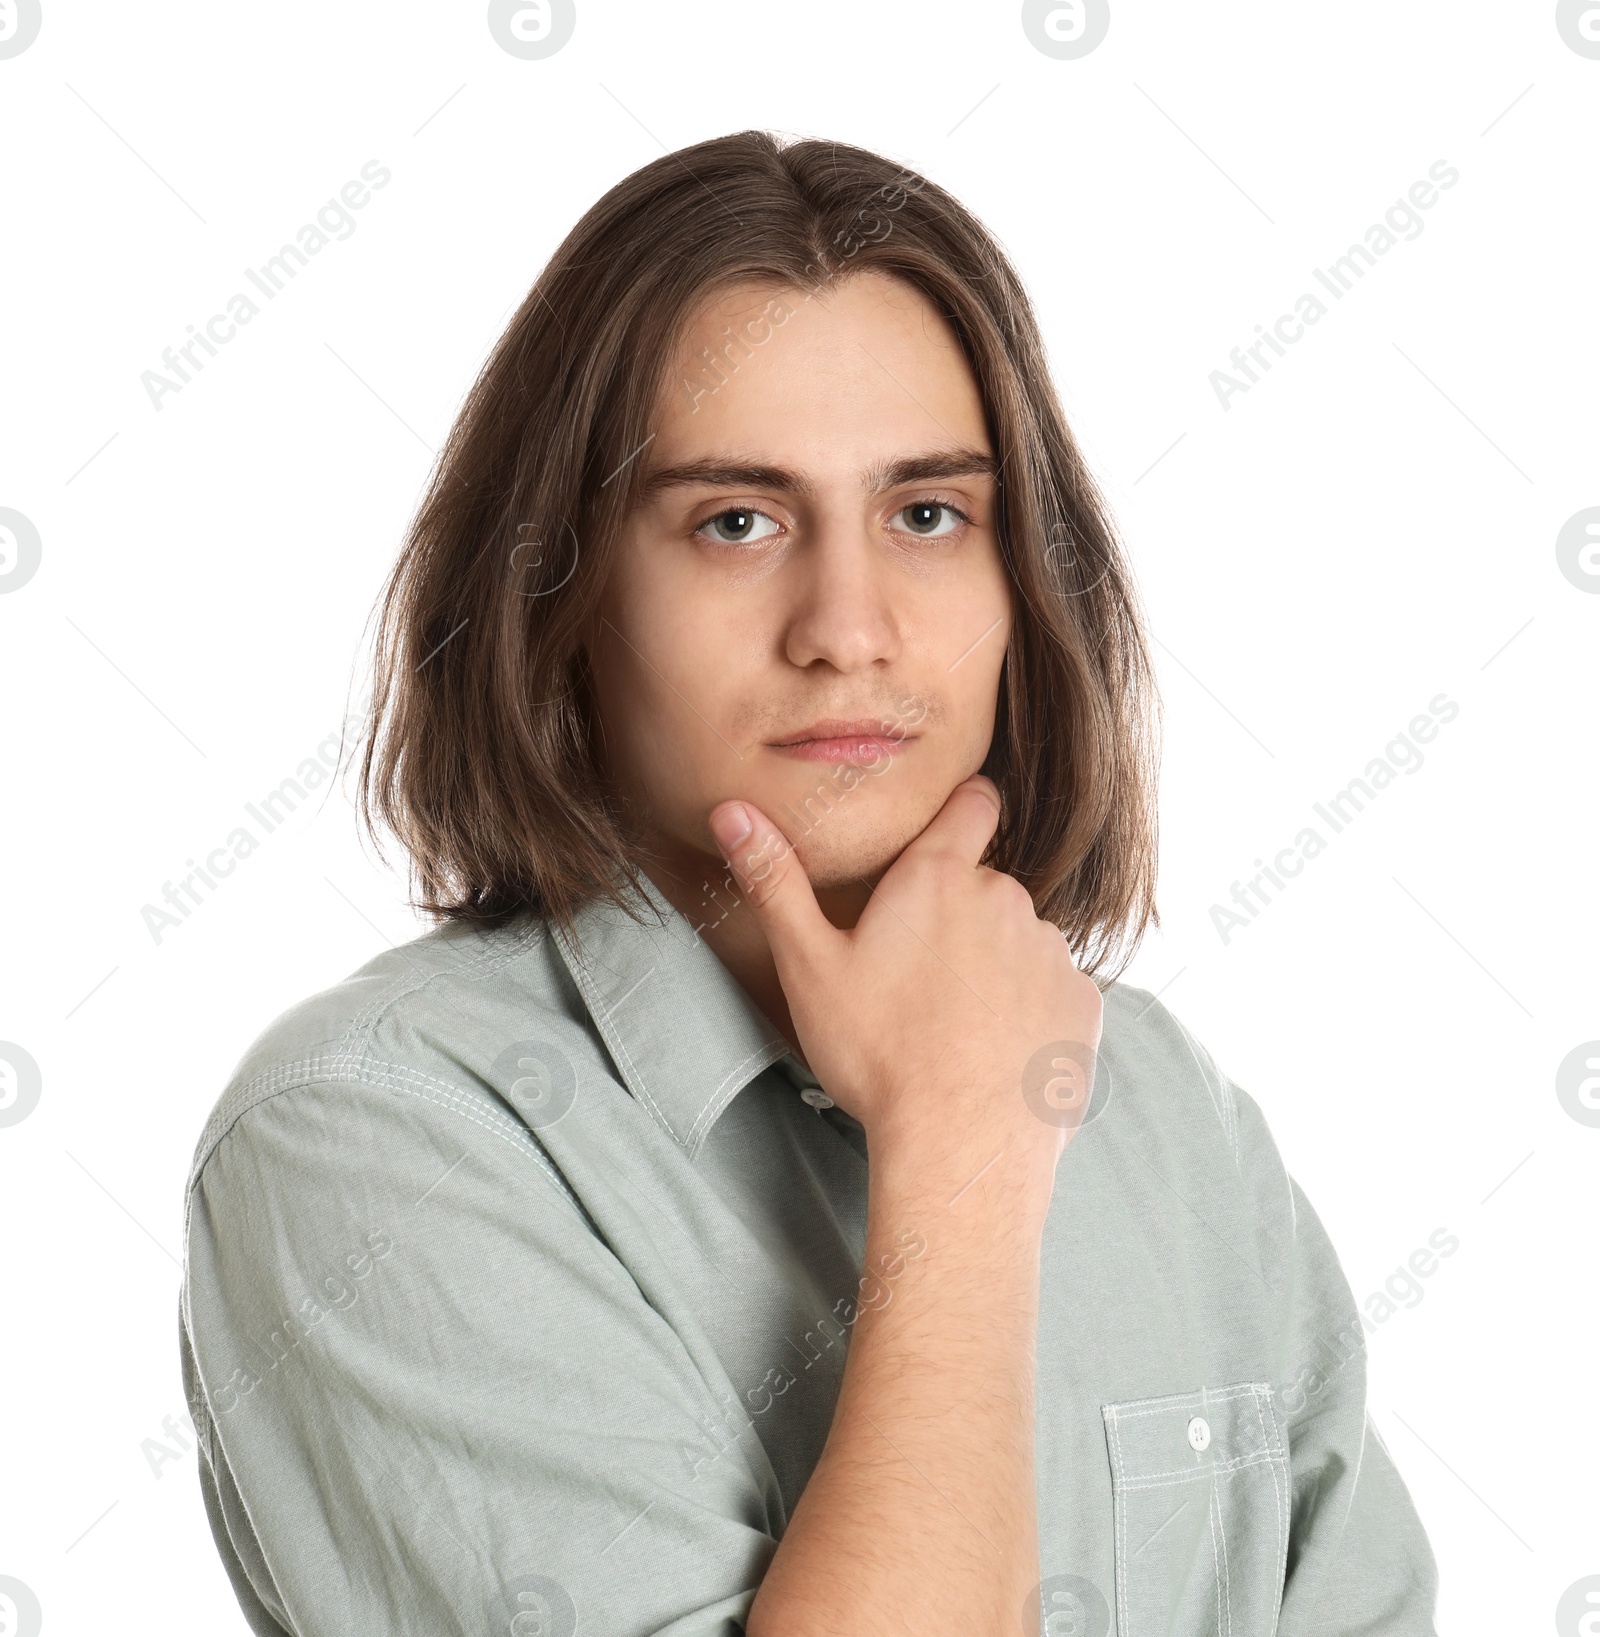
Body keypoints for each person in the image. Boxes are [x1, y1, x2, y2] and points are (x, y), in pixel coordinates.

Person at [179, 129, 1439, 1636]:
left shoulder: (1167, 1111)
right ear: (559, 598)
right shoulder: (373, 1136)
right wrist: (962, 1163)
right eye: (737, 522)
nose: (850, 626)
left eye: (927, 515)